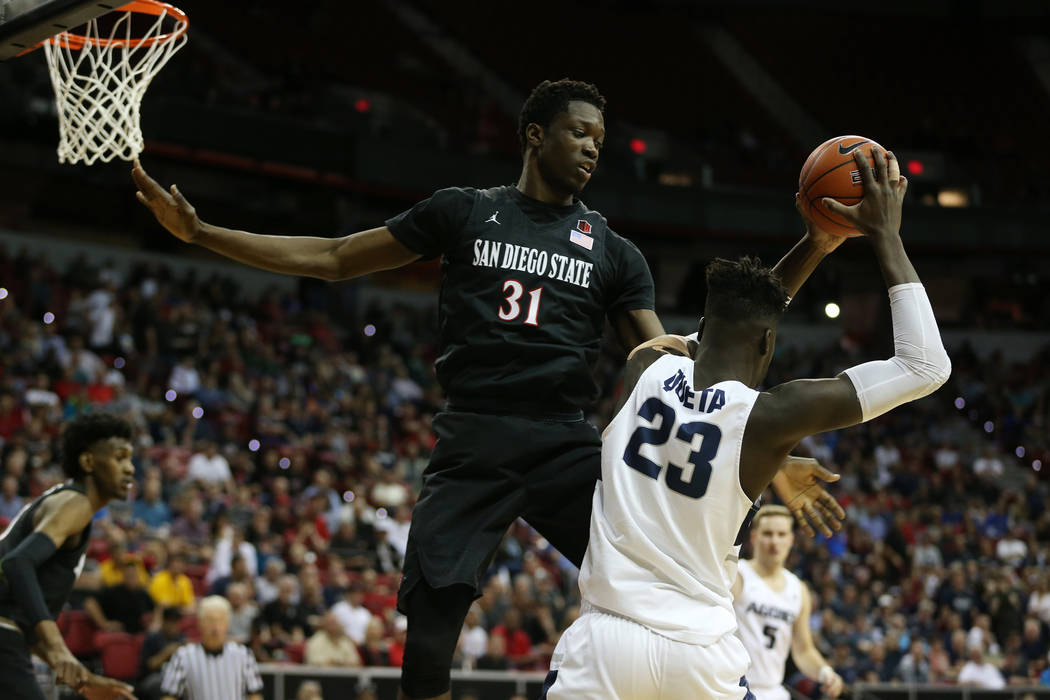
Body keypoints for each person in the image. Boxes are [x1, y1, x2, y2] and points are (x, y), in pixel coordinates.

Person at [134, 78, 844, 700]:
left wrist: (775, 454)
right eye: (580, 132)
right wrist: (203, 235)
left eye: (601, 137)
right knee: (429, 635)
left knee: (671, 571)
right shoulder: (465, 211)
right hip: (473, 436)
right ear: (536, 135)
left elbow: (700, 371)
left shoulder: (614, 252)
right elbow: (335, 256)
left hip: (562, 443)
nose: (595, 148)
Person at [543, 147, 951, 698]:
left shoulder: (646, 365)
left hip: (604, 643)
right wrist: (885, 236)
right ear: (768, 344)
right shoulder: (768, 418)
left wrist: (815, 243)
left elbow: (730, 326)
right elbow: (924, 365)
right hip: (700, 655)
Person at [0, 413, 138, 699]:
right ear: (88, 462)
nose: (130, 469)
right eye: (120, 457)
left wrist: (83, 678)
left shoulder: (68, 503)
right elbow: (17, 563)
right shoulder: (76, 503)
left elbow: (25, 617)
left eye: (130, 458)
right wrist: (60, 648)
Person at [731, 505, 844, 699]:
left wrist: (825, 671)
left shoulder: (798, 589)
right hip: (734, 687)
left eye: (781, 534)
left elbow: (803, 649)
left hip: (774, 691)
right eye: (768, 533)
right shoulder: (737, 575)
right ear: (754, 537)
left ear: (791, 540)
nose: (774, 541)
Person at [160, 595, 263, 700]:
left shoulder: (243, 654)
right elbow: (169, 696)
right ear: (200, 623)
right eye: (210, 620)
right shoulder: (183, 656)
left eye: (220, 620)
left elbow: (255, 695)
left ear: (227, 623)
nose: (215, 626)